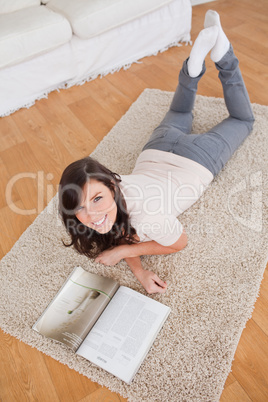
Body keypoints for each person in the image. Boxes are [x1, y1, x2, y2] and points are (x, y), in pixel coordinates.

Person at [59, 11, 255, 295]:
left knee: (243, 121)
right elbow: (119, 229)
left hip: (197, 159)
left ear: (112, 187)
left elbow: (179, 243)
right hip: (157, 148)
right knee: (179, 111)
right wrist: (139, 271)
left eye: (97, 199)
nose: (91, 214)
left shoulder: (148, 217)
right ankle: (194, 64)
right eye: (79, 208)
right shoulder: (110, 189)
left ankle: (223, 53)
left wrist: (123, 250)